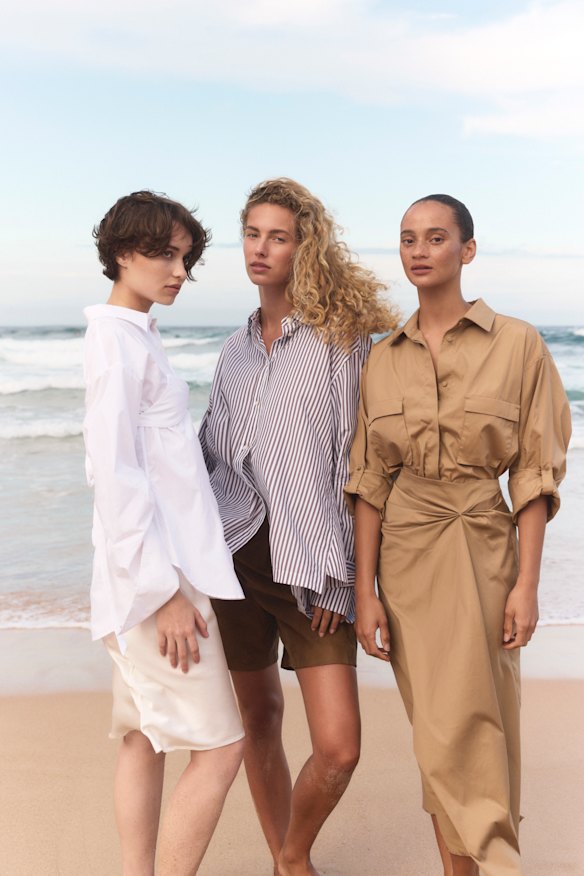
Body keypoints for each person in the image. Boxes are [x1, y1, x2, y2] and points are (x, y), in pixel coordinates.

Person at [346, 193, 571, 876]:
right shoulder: (382, 359)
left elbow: (533, 474)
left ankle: (495, 863)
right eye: (408, 238)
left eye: (436, 237)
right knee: (437, 730)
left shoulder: (519, 343)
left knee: (484, 715)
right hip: (405, 557)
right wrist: (365, 591)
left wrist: (527, 585)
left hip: (484, 545)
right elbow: (369, 481)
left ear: (467, 250)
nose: (419, 250)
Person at [199, 177, 398, 876]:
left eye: (277, 237)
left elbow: (360, 462)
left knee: (339, 747)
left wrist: (349, 580)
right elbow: (210, 455)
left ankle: (291, 853)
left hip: (315, 571)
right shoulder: (234, 349)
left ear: (303, 247)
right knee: (259, 720)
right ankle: (290, 866)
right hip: (234, 557)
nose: (260, 248)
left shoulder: (344, 342)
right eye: (252, 234)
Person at [83, 191, 245, 876]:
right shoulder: (118, 342)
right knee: (222, 747)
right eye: (165, 255)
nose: (180, 271)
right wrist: (165, 592)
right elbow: (115, 475)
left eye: (186, 258)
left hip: (149, 577)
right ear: (124, 253)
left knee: (144, 739)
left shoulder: (135, 334)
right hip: (157, 584)